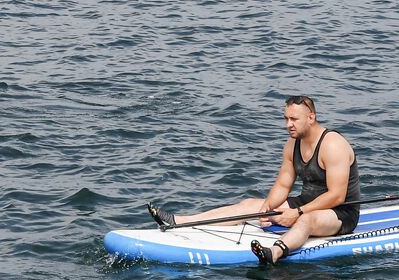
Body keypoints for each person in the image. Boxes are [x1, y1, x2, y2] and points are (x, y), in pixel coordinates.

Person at [146, 95, 361, 265]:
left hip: (340, 212)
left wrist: (297, 213)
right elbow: (284, 184)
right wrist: (268, 208)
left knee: (306, 221)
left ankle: (274, 253)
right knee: (250, 205)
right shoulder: (291, 144)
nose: (288, 125)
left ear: (311, 118)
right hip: (306, 203)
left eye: (294, 119)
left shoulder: (333, 145)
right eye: (285, 119)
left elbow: (336, 195)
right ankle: (180, 222)